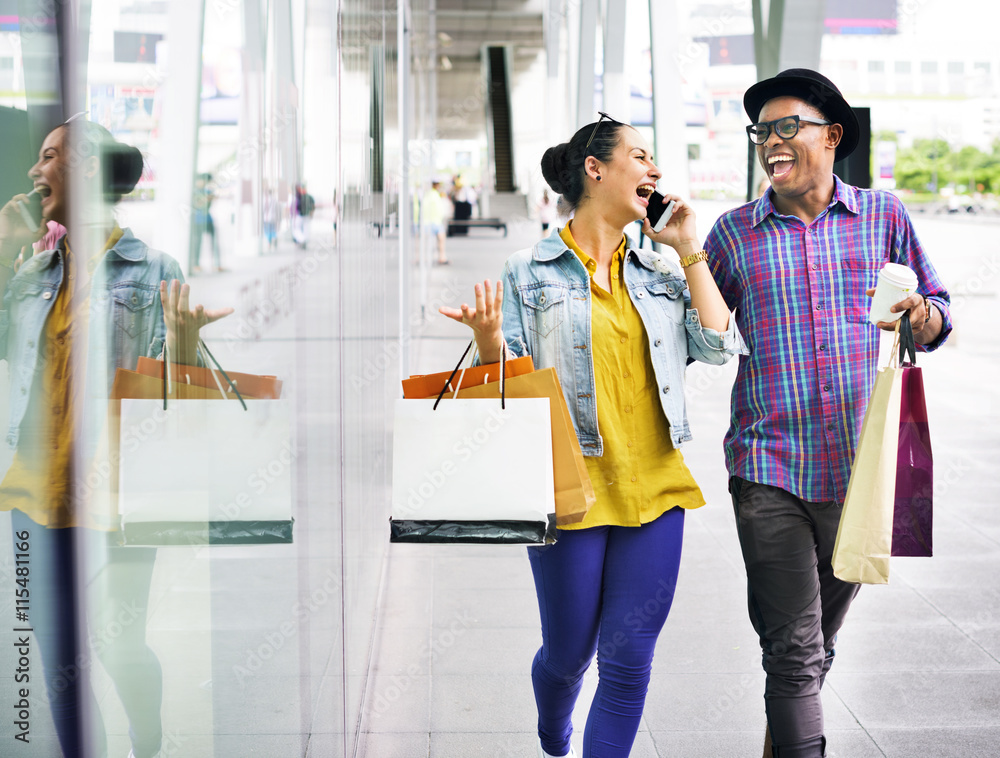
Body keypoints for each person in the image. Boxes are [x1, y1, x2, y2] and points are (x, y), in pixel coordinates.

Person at [440, 114, 745, 757]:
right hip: (567, 490)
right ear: (595, 170)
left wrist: (690, 246)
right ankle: (554, 725)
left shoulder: (662, 269)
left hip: (656, 488)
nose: (655, 169)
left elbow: (718, 345)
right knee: (568, 652)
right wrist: (489, 339)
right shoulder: (529, 271)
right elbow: (508, 387)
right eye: (641, 156)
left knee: (630, 660)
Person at [704, 69, 952, 758]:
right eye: (762, 133)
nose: (771, 144)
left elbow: (938, 313)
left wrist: (922, 315)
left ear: (831, 136)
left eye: (787, 128)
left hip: (859, 471)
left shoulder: (883, 215)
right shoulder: (732, 235)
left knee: (811, 647)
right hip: (768, 469)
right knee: (792, 647)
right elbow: (700, 337)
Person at [0, 119, 232, 758]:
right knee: (55, 655)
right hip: (32, 493)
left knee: (120, 644)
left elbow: (182, 402)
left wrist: (186, 344)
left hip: (122, 494)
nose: (32, 171)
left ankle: (147, 740)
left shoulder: (154, 268)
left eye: (47, 157)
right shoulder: (28, 268)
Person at [421, 180, 448, 264]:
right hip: (435, 221)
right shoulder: (434, 194)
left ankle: (424, 257)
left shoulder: (428, 194)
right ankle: (442, 257)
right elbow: (439, 208)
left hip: (428, 221)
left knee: (427, 241)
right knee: (441, 239)